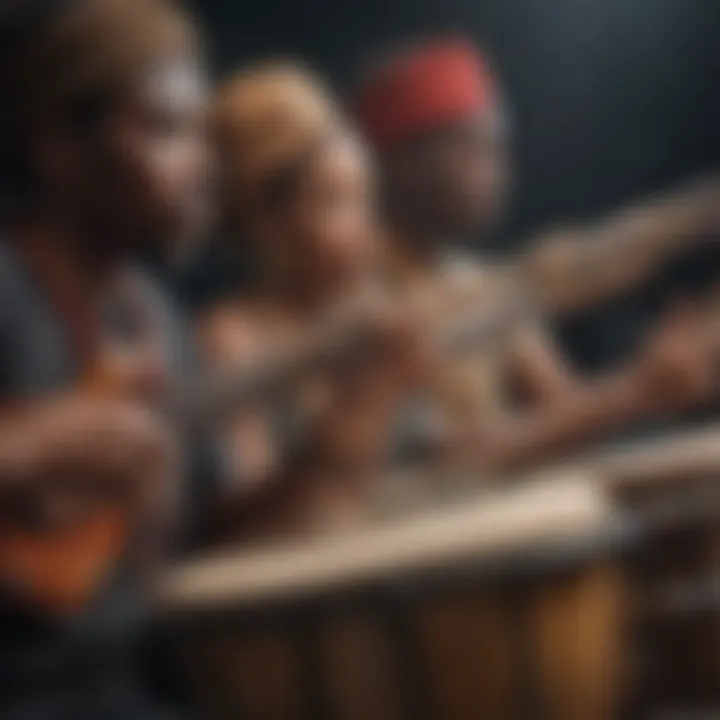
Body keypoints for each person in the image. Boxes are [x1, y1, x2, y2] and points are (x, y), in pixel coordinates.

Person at [0, 2, 414, 716]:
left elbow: (214, 549)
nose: (203, 165)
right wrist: (23, 451)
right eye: (168, 130)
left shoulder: (154, 318)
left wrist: (338, 438)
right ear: (58, 147)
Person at [351, 37, 720, 474]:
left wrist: (674, 367)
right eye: (476, 148)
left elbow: (567, 412)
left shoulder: (479, 283)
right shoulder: (354, 297)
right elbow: (444, 466)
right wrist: (638, 390)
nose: (500, 169)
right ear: (405, 163)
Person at [201, 63, 424, 535]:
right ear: (264, 223)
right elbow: (245, 524)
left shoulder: (376, 314)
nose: (367, 232)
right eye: (335, 203)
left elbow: (452, 458)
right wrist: (367, 397)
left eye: (366, 202)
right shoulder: (231, 341)